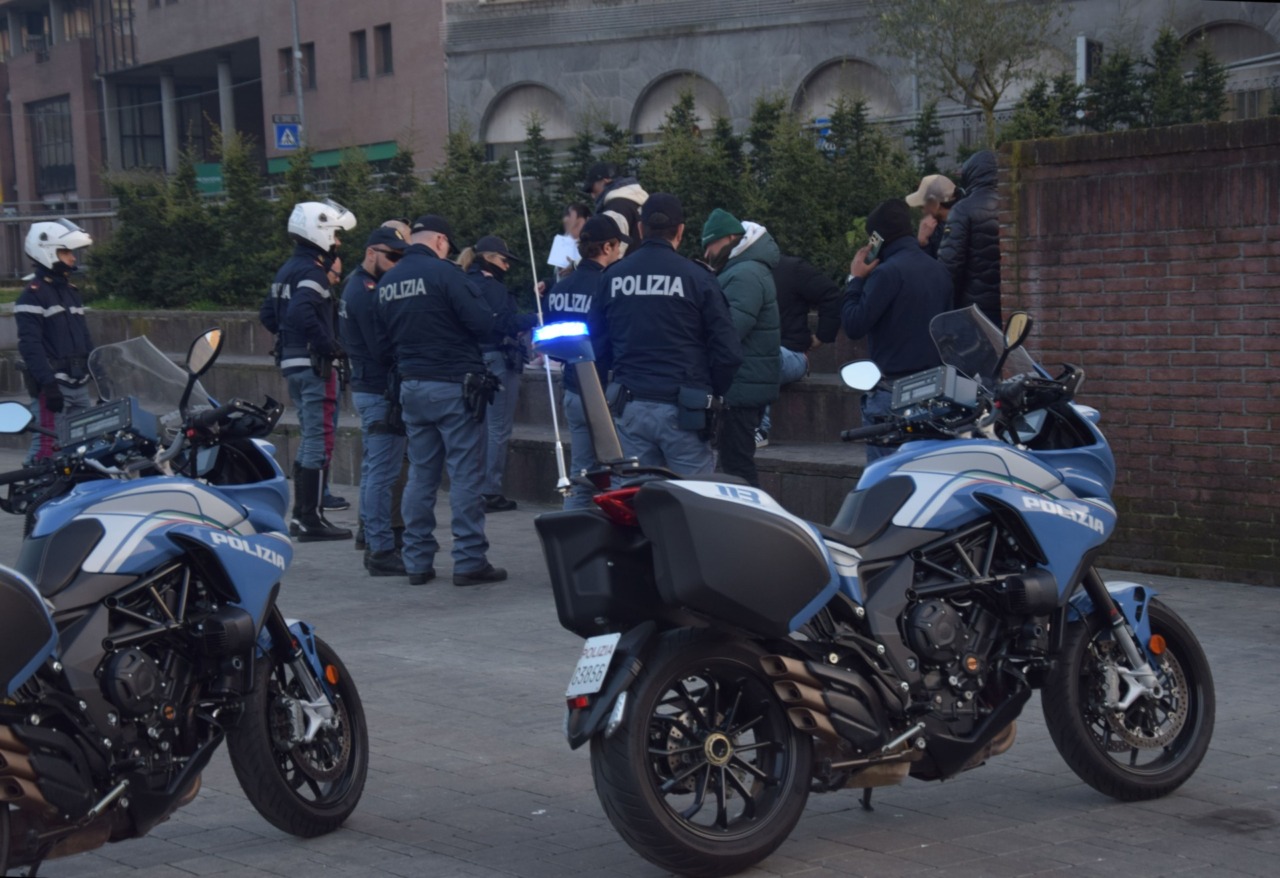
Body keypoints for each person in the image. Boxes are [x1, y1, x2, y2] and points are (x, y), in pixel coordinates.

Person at [375, 215, 508, 587]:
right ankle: (468, 560)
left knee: (421, 474)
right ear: (440, 241)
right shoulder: (446, 274)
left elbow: (382, 340)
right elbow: (483, 323)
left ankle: (417, 560)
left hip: (411, 387)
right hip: (453, 387)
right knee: (466, 475)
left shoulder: (389, 281)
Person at [588, 193, 742, 475]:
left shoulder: (612, 277)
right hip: (685, 409)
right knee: (695, 504)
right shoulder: (698, 278)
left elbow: (596, 347)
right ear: (681, 231)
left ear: (640, 229)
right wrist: (708, 392)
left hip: (629, 405)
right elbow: (728, 351)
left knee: (633, 502)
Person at [259, 199, 356, 541]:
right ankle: (311, 519)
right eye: (335, 235)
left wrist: (291, 341)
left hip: (291, 362)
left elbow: (269, 316)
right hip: (314, 365)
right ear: (320, 232)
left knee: (309, 436)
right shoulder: (313, 272)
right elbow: (302, 313)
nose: (338, 242)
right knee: (319, 437)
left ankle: (303, 517)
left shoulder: (286, 269)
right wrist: (327, 344)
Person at [842, 198, 954, 462]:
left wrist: (855, 279)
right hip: (935, 388)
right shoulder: (938, 270)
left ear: (878, 238)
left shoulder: (886, 274)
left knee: (886, 480)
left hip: (894, 391)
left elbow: (854, 324)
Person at [542, 214, 629, 509]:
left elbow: (551, 347)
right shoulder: (609, 285)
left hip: (572, 388)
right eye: (617, 246)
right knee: (619, 475)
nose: (619, 253)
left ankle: (573, 543)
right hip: (604, 391)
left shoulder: (559, 288)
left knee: (582, 477)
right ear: (606, 247)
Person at [340, 226, 408, 576]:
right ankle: (380, 549)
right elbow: (381, 346)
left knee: (373, 471)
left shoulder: (357, 285)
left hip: (369, 388)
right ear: (371, 253)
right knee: (382, 473)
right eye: (392, 256)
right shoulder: (365, 292)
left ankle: (372, 536)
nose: (396, 263)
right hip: (379, 389)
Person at [700, 209, 780, 487]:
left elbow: (729, 330)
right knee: (734, 463)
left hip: (741, 387)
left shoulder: (745, 274)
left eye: (711, 244)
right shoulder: (743, 269)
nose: (708, 252)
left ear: (730, 238)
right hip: (743, 382)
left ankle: (751, 524)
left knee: (737, 466)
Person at [460, 236, 539, 513]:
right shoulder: (492, 287)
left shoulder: (463, 281)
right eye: (504, 260)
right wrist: (537, 317)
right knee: (497, 428)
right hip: (497, 359)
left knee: (478, 427)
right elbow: (503, 323)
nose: (507, 266)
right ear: (491, 258)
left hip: (472, 359)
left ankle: (475, 487)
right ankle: (490, 491)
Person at [15, 219, 95, 463]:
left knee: (85, 445)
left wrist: (97, 371)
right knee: (47, 446)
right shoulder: (32, 296)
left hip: (79, 383)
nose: (72, 258)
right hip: (54, 386)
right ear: (48, 251)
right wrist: (48, 385)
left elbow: (85, 337)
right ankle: (30, 496)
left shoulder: (70, 291)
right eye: (66, 251)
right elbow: (30, 346)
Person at [758, 254, 841, 447]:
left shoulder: (791, 269)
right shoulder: (734, 272)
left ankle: (759, 427)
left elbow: (830, 294)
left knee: (763, 355)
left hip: (791, 353)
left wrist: (822, 336)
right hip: (768, 353)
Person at [938, 150, 1001, 325]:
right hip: (1011, 302)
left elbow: (950, 265)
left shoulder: (962, 210)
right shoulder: (1015, 204)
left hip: (974, 307)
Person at [582, 161, 648, 252]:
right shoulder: (638, 201)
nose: (592, 195)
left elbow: (613, 251)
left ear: (605, 181)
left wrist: (576, 265)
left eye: (592, 188)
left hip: (627, 264)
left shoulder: (615, 208)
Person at [906, 174, 958, 258]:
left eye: (922, 207)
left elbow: (934, 268)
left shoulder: (956, 233)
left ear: (937, 205)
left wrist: (922, 242)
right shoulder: (936, 227)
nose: (922, 211)